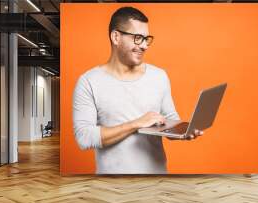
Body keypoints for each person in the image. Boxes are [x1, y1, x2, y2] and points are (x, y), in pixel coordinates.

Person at [73, 6, 203, 174]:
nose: (144, 46)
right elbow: (84, 138)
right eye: (137, 38)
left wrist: (183, 131)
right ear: (116, 37)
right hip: (112, 189)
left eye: (146, 39)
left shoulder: (159, 76)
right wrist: (136, 124)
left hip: (157, 181)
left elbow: (170, 119)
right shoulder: (89, 81)